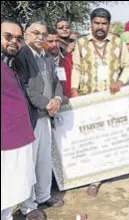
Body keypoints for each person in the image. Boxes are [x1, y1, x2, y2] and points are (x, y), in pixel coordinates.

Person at [70, 8, 129, 196]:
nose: (100, 27)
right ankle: (93, 177)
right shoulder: (81, 43)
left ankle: (105, 172)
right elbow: (76, 68)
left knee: (108, 136)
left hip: (111, 99)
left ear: (109, 25)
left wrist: (120, 81)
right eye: (97, 23)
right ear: (91, 24)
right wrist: (74, 89)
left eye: (104, 23)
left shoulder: (118, 43)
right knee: (90, 137)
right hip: (88, 99)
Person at [17, 20, 65, 220]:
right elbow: (25, 88)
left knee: (44, 161)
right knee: (29, 163)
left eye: (43, 34)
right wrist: (47, 104)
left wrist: (57, 99)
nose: (40, 37)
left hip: (46, 118)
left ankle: (44, 196)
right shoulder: (21, 56)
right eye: (35, 33)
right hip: (31, 119)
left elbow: (56, 82)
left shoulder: (46, 56)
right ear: (26, 35)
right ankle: (27, 206)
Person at [1, 18, 36, 220]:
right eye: (8, 36)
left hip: (17, 140)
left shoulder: (8, 62)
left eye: (18, 38)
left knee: (10, 195)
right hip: (6, 143)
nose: (14, 41)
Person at [45, 27, 73, 98]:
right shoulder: (41, 62)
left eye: (57, 41)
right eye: (50, 41)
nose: (54, 44)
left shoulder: (68, 58)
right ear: (43, 42)